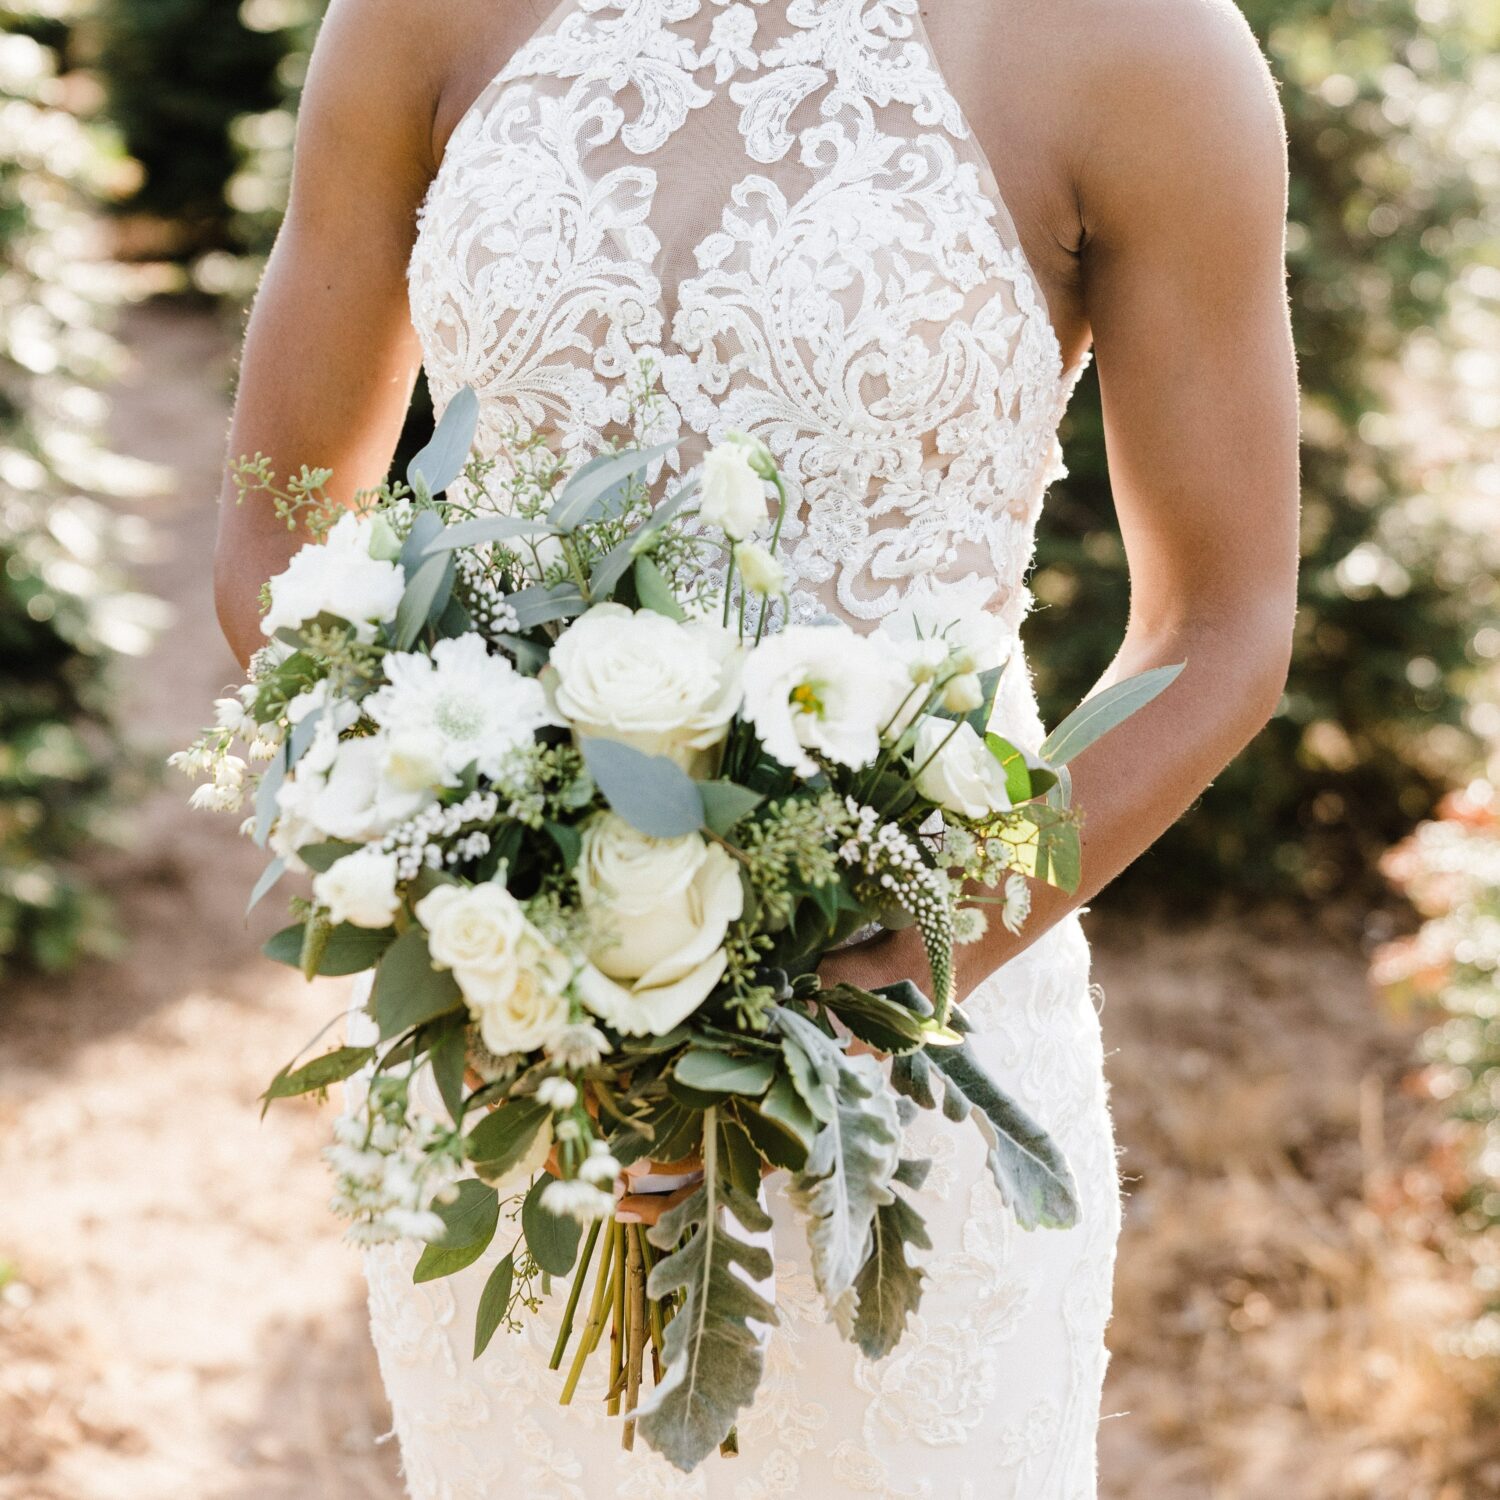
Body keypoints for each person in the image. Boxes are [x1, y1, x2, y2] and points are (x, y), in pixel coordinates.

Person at [214, 0, 1299, 1493]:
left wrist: (907, 965)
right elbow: (282, 527)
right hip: (514, 1045)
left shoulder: (1138, 43)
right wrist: (468, 869)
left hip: (911, 1057)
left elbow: (1219, 627)